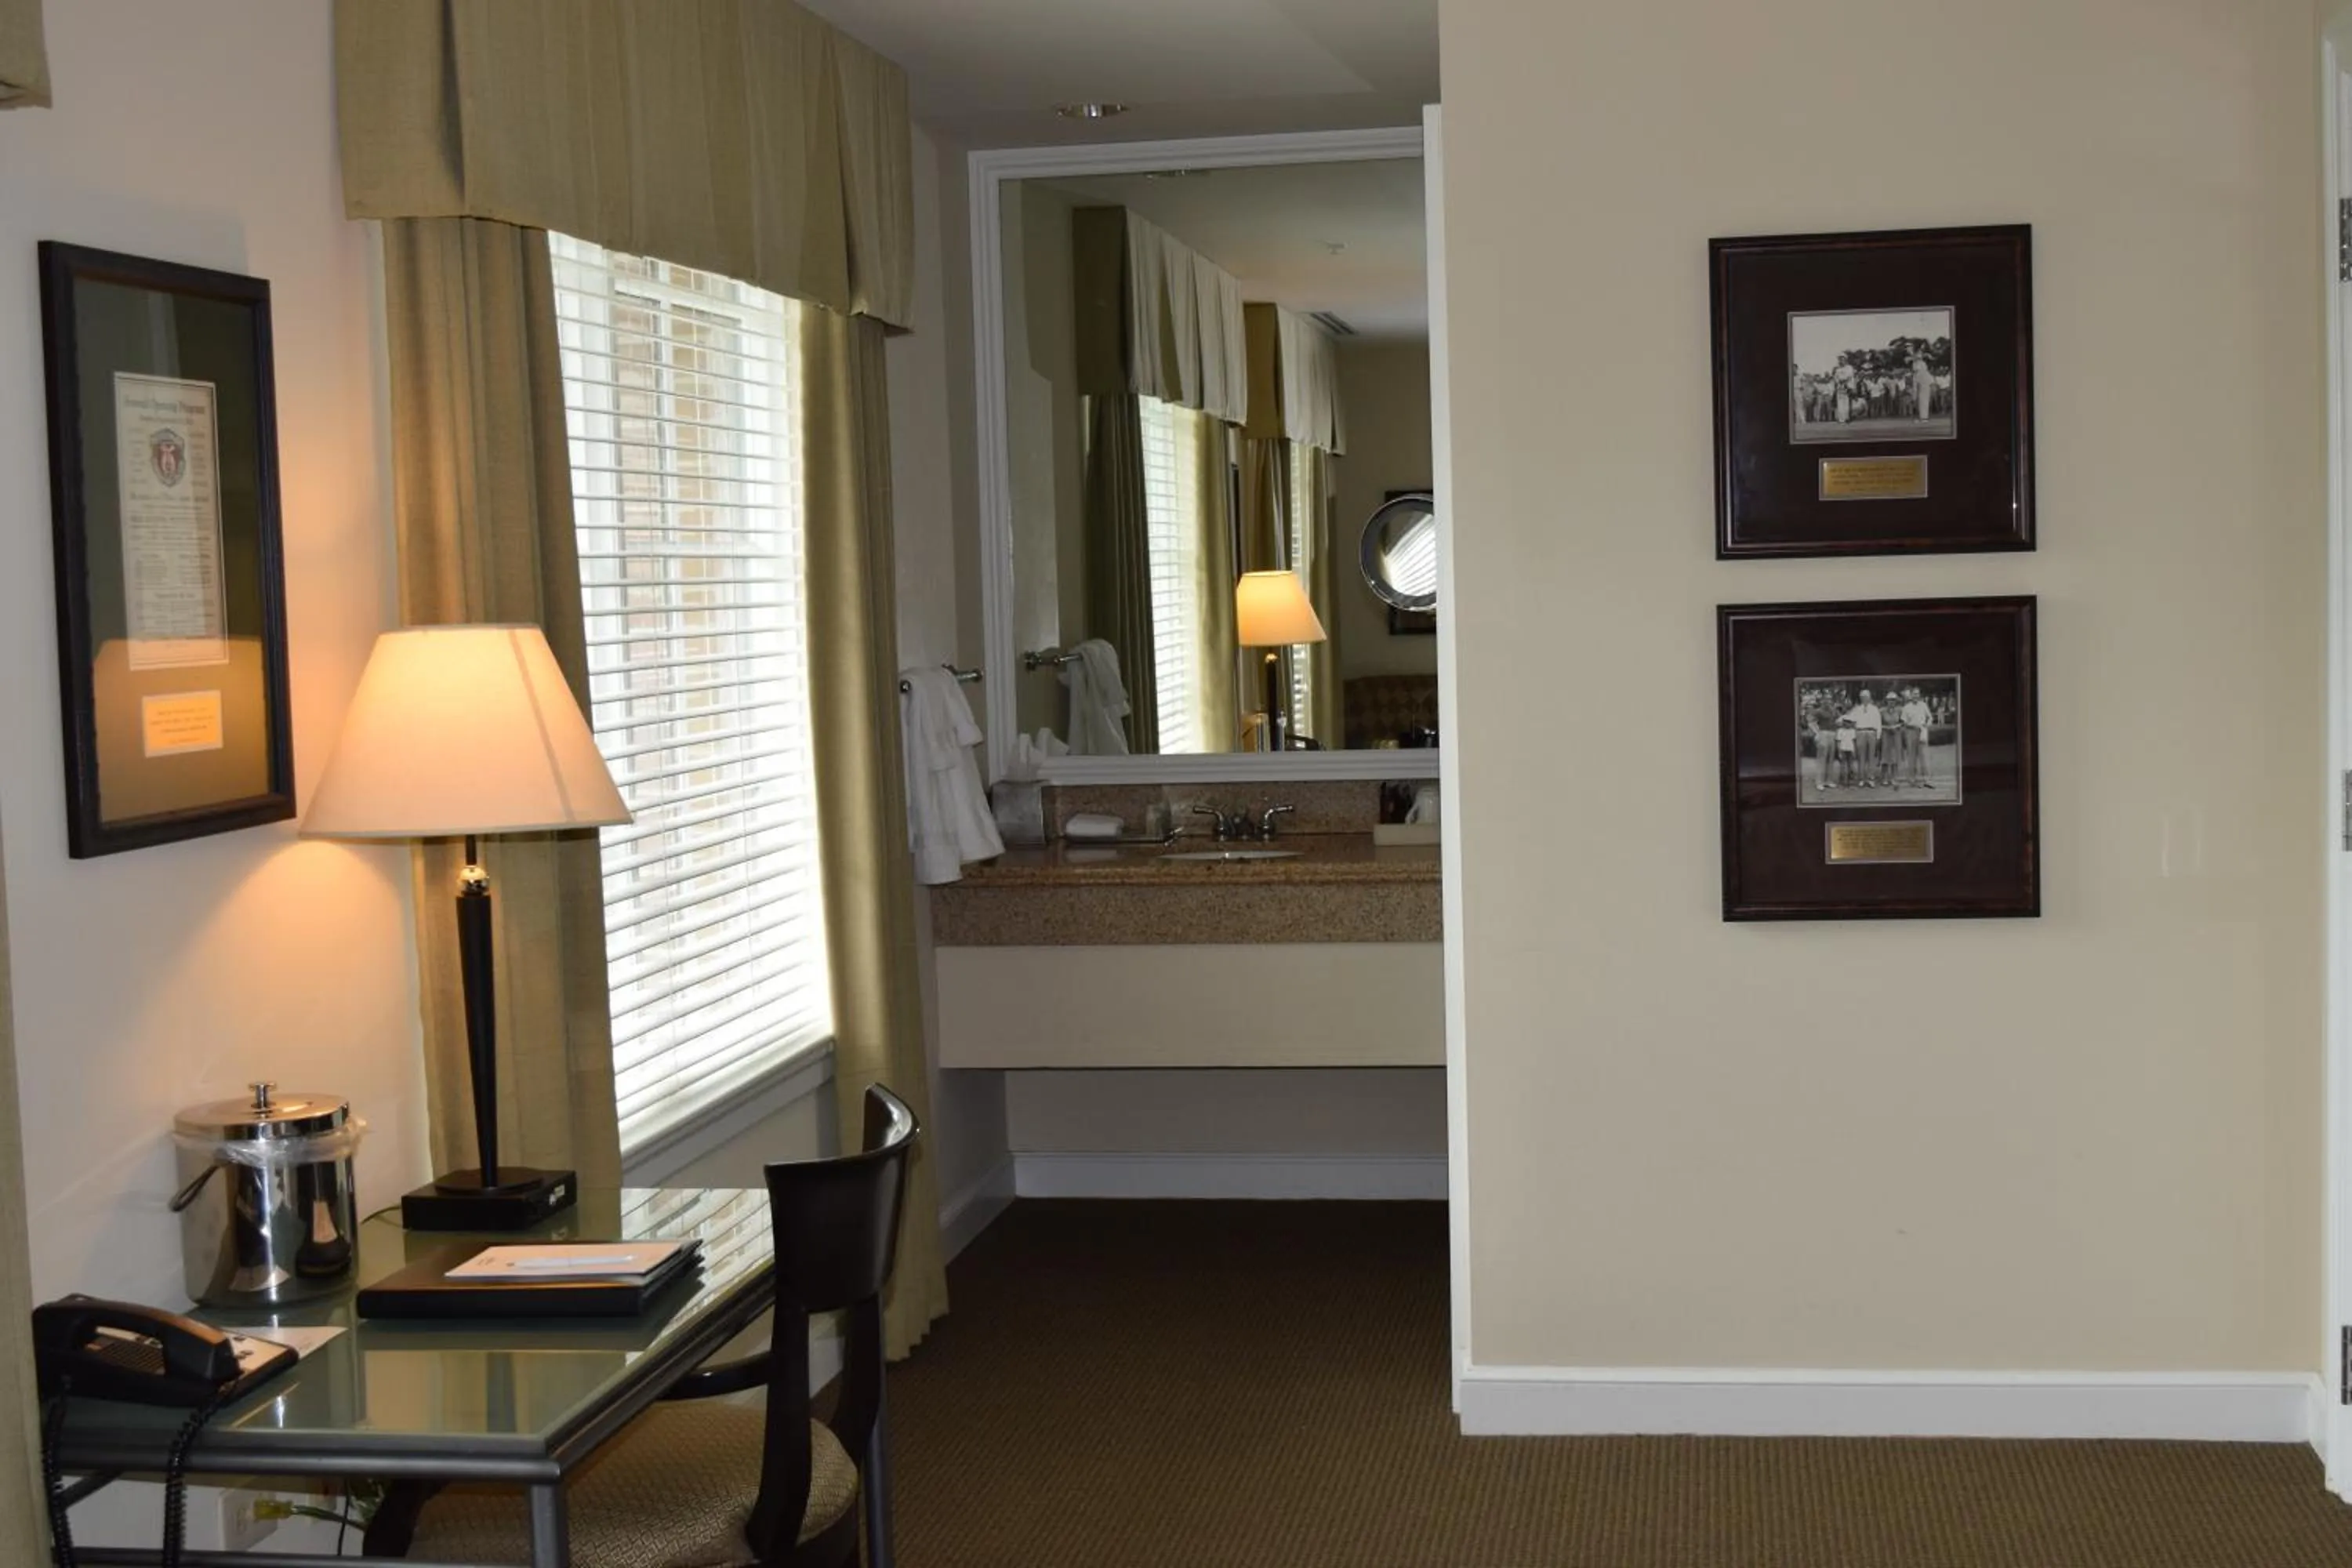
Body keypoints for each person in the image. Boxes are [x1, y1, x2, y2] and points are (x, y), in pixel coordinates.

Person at [1842, 688, 1882, 788]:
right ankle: (1861, 779)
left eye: (1866, 697)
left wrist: (1878, 736)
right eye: (1863, 697)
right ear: (1860, 698)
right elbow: (1849, 719)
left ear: (1870, 698)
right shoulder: (1857, 709)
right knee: (1861, 756)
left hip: (1872, 732)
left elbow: (1878, 723)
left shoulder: (1874, 709)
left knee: (1871, 757)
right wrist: (1841, 720)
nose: (1865, 699)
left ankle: (1871, 778)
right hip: (1860, 732)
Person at [1900, 686, 1933, 786]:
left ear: (1920, 695)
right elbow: (1904, 722)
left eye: (1917, 694)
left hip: (1922, 732)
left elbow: (1930, 717)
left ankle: (1926, 778)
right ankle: (1912, 779)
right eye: (1914, 694)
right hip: (1911, 732)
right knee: (1911, 756)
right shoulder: (1906, 707)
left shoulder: (1923, 705)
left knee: (1924, 756)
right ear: (1911, 695)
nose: (1916, 696)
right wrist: (1914, 725)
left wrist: (1927, 725)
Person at [1911, 348, 1936, 422]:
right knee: (1917, 400)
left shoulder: (1922, 364)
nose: (1919, 356)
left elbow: (1924, 373)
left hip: (1924, 382)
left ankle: (1924, 417)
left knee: (1924, 400)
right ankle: (1920, 417)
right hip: (1920, 381)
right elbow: (1916, 372)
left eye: (1920, 354)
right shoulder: (1916, 363)